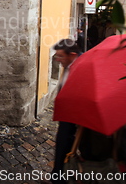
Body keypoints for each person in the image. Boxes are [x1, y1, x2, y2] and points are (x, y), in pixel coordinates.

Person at [51, 39, 82, 184]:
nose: (57, 59)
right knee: (62, 149)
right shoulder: (69, 64)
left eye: (60, 56)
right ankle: (58, 177)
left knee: (68, 150)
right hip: (66, 117)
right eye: (57, 55)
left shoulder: (81, 68)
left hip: (76, 120)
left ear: (73, 54)